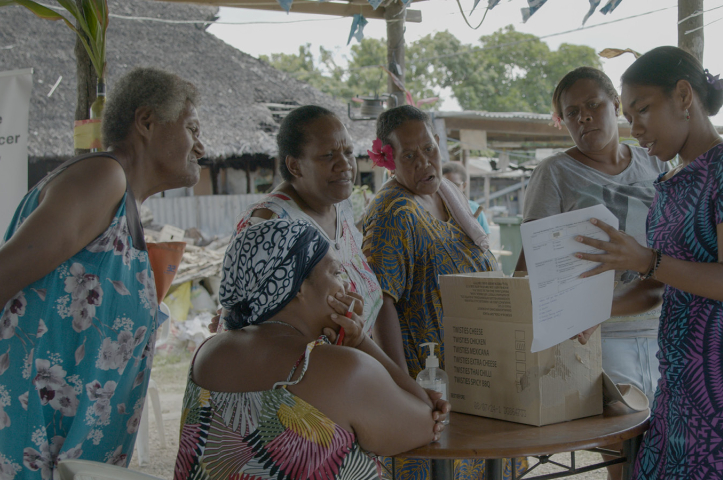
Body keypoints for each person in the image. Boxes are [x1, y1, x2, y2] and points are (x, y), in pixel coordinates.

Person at [0, 67, 205, 477]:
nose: (202, 147)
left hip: (65, 453)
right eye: (192, 128)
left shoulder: (123, 205)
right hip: (28, 441)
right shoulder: (103, 178)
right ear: (146, 122)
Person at [175, 219, 448, 479]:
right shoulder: (342, 369)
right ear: (297, 286)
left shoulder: (208, 353)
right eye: (335, 273)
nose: (346, 287)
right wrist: (360, 342)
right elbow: (427, 420)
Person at [573, 46, 723, 479]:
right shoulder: (666, 185)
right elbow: (657, 285)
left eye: (643, 109)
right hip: (678, 385)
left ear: (684, 95)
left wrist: (645, 258)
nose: (635, 128)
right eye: (629, 116)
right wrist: (593, 312)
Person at [518, 67, 668, 479]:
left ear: (614, 105)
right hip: (597, 336)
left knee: (672, 451)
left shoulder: (656, 160)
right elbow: (528, 271)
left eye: (592, 105)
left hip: (665, 326)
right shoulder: (555, 173)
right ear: (562, 122)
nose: (583, 118)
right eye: (571, 113)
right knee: (628, 454)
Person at [363, 105, 524, 480]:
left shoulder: (448, 196)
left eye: (430, 148)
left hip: (480, 376)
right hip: (432, 389)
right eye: (409, 155)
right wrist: (404, 393)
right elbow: (380, 302)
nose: (424, 162)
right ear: (388, 159)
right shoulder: (393, 212)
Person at [225, 105, 382, 334]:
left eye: (348, 152)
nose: (345, 164)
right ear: (294, 165)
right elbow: (249, 330)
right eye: (328, 155)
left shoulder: (339, 205)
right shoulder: (270, 223)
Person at [442, 161, 491, 234]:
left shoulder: (474, 209)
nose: (450, 189)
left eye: (456, 185)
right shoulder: (434, 209)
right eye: (445, 185)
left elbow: (485, 242)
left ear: (464, 186)